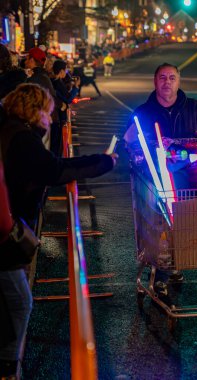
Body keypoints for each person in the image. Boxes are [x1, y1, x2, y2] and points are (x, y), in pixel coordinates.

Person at [0, 83, 118, 378]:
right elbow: (56, 170)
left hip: (9, 224)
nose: (51, 120)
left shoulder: (8, 129)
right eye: (48, 113)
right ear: (34, 110)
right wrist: (103, 162)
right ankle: (7, 367)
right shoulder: (22, 140)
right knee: (19, 302)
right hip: (4, 235)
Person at [124, 62, 197, 294]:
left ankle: (174, 265)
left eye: (172, 78)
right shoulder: (143, 112)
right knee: (159, 224)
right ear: (155, 82)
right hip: (155, 181)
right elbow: (128, 142)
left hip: (190, 181)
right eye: (162, 78)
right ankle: (162, 271)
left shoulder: (194, 109)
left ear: (179, 81)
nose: (167, 82)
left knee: (185, 223)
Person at [50, 59, 80, 155]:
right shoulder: (57, 83)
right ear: (61, 71)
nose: (66, 72)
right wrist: (75, 87)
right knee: (57, 146)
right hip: (58, 118)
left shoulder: (55, 81)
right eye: (66, 70)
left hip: (56, 117)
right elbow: (68, 98)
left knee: (56, 145)